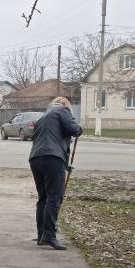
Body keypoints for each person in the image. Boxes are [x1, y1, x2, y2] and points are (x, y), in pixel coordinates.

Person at [28, 96, 83, 250]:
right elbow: (74, 130)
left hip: (35, 159)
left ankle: (41, 236)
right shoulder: (62, 110)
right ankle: (50, 236)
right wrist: (80, 128)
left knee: (43, 198)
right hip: (52, 158)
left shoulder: (43, 118)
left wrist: (66, 164)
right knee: (54, 197)